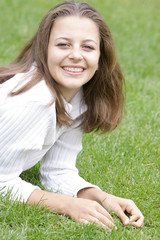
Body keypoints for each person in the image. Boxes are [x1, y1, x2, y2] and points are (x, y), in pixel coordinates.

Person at [0, 1, 144, 231]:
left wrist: (100, 196)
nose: (76, 55)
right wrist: (66, 205)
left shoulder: (76, 96)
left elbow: (57, 169)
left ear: (101, 57)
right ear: (44, 49)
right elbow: (1, 182)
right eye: (63, 44)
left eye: (87, 47)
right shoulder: (34, 101)